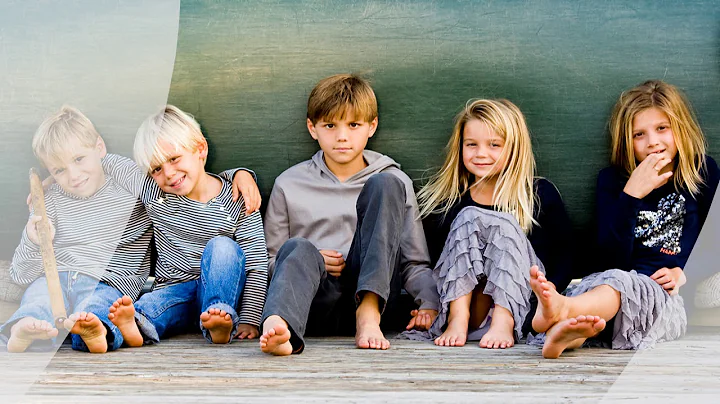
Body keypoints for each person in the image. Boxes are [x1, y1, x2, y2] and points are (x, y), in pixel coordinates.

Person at [530, 80, 719, 358]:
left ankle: (563, 310)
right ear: (625, 141)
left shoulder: (701, 172)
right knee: (600, 301)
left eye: (662, 129)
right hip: (609, 286)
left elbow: (716, 240)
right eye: (639, 134)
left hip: (664, 300)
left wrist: (685, 272)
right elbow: (609, 259)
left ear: (681, 129)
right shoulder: (612, 180)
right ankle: (567, 336)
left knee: (619, 288)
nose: (652, 141)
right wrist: (631, 194)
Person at [258, 73, 439, 355]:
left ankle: (367, 314)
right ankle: (280, 328)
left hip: (378, 306)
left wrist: (429, 302)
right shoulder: (289, 183)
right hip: (314, 304)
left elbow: (413, 262)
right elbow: (271, 261)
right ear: (312, 128)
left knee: (384, 184)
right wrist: (315, 260)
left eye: (353, 125)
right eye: (330, 125)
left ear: (371, 126)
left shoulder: (394, 181)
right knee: (297, 247)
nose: (342, 136)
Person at [409, 98, 573, 349]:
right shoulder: (450, 203)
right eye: (471, 144)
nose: (481, 154)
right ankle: (457, 320)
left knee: (503, 224)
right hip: (469, 307)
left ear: (514, 148)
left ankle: (503, 322)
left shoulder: (539, 195)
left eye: (494, 145)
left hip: (521, 307)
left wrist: (546, 298)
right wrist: (428, 306)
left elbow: (564, 258)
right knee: (468, 217)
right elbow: (440, 263)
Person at [102, 105, 268, 345]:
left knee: (223, 247)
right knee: (151, 305)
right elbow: (109, 163)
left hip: (219, 292)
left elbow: (256, 264)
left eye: (174, 159)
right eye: (156, 169)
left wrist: (250, 320)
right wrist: (54, 178)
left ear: (200, 149)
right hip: (175, 291)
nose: (168, 173)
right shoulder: (154, 192)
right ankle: (133, 327)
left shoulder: (238, 199)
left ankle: (218, 321)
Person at [1, 106, 153, 353]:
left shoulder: (125, 184)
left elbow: (153, 184)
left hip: (108, 279)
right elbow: (20, 275)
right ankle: (24, 326)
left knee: (101, 305)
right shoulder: (49, 199)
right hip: (56, 277)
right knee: (37, 297)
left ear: (100, 148)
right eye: (59, 170)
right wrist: (32, 240)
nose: (73, 176)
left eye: (79, 159)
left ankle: (94, 330)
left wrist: (238, 173)